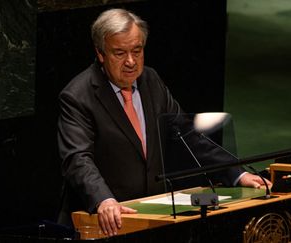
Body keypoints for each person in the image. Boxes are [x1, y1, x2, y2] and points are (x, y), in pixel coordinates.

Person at [56, 8, 272, 237]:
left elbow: (187, 135)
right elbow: (77, 159)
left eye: (137, 51)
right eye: (119, 53)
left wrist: (236, 173)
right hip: (103, 221)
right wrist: (104, 200)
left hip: (152, 218)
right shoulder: (78, 96)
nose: (131, 61)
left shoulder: (151, 81)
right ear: (100, 53)